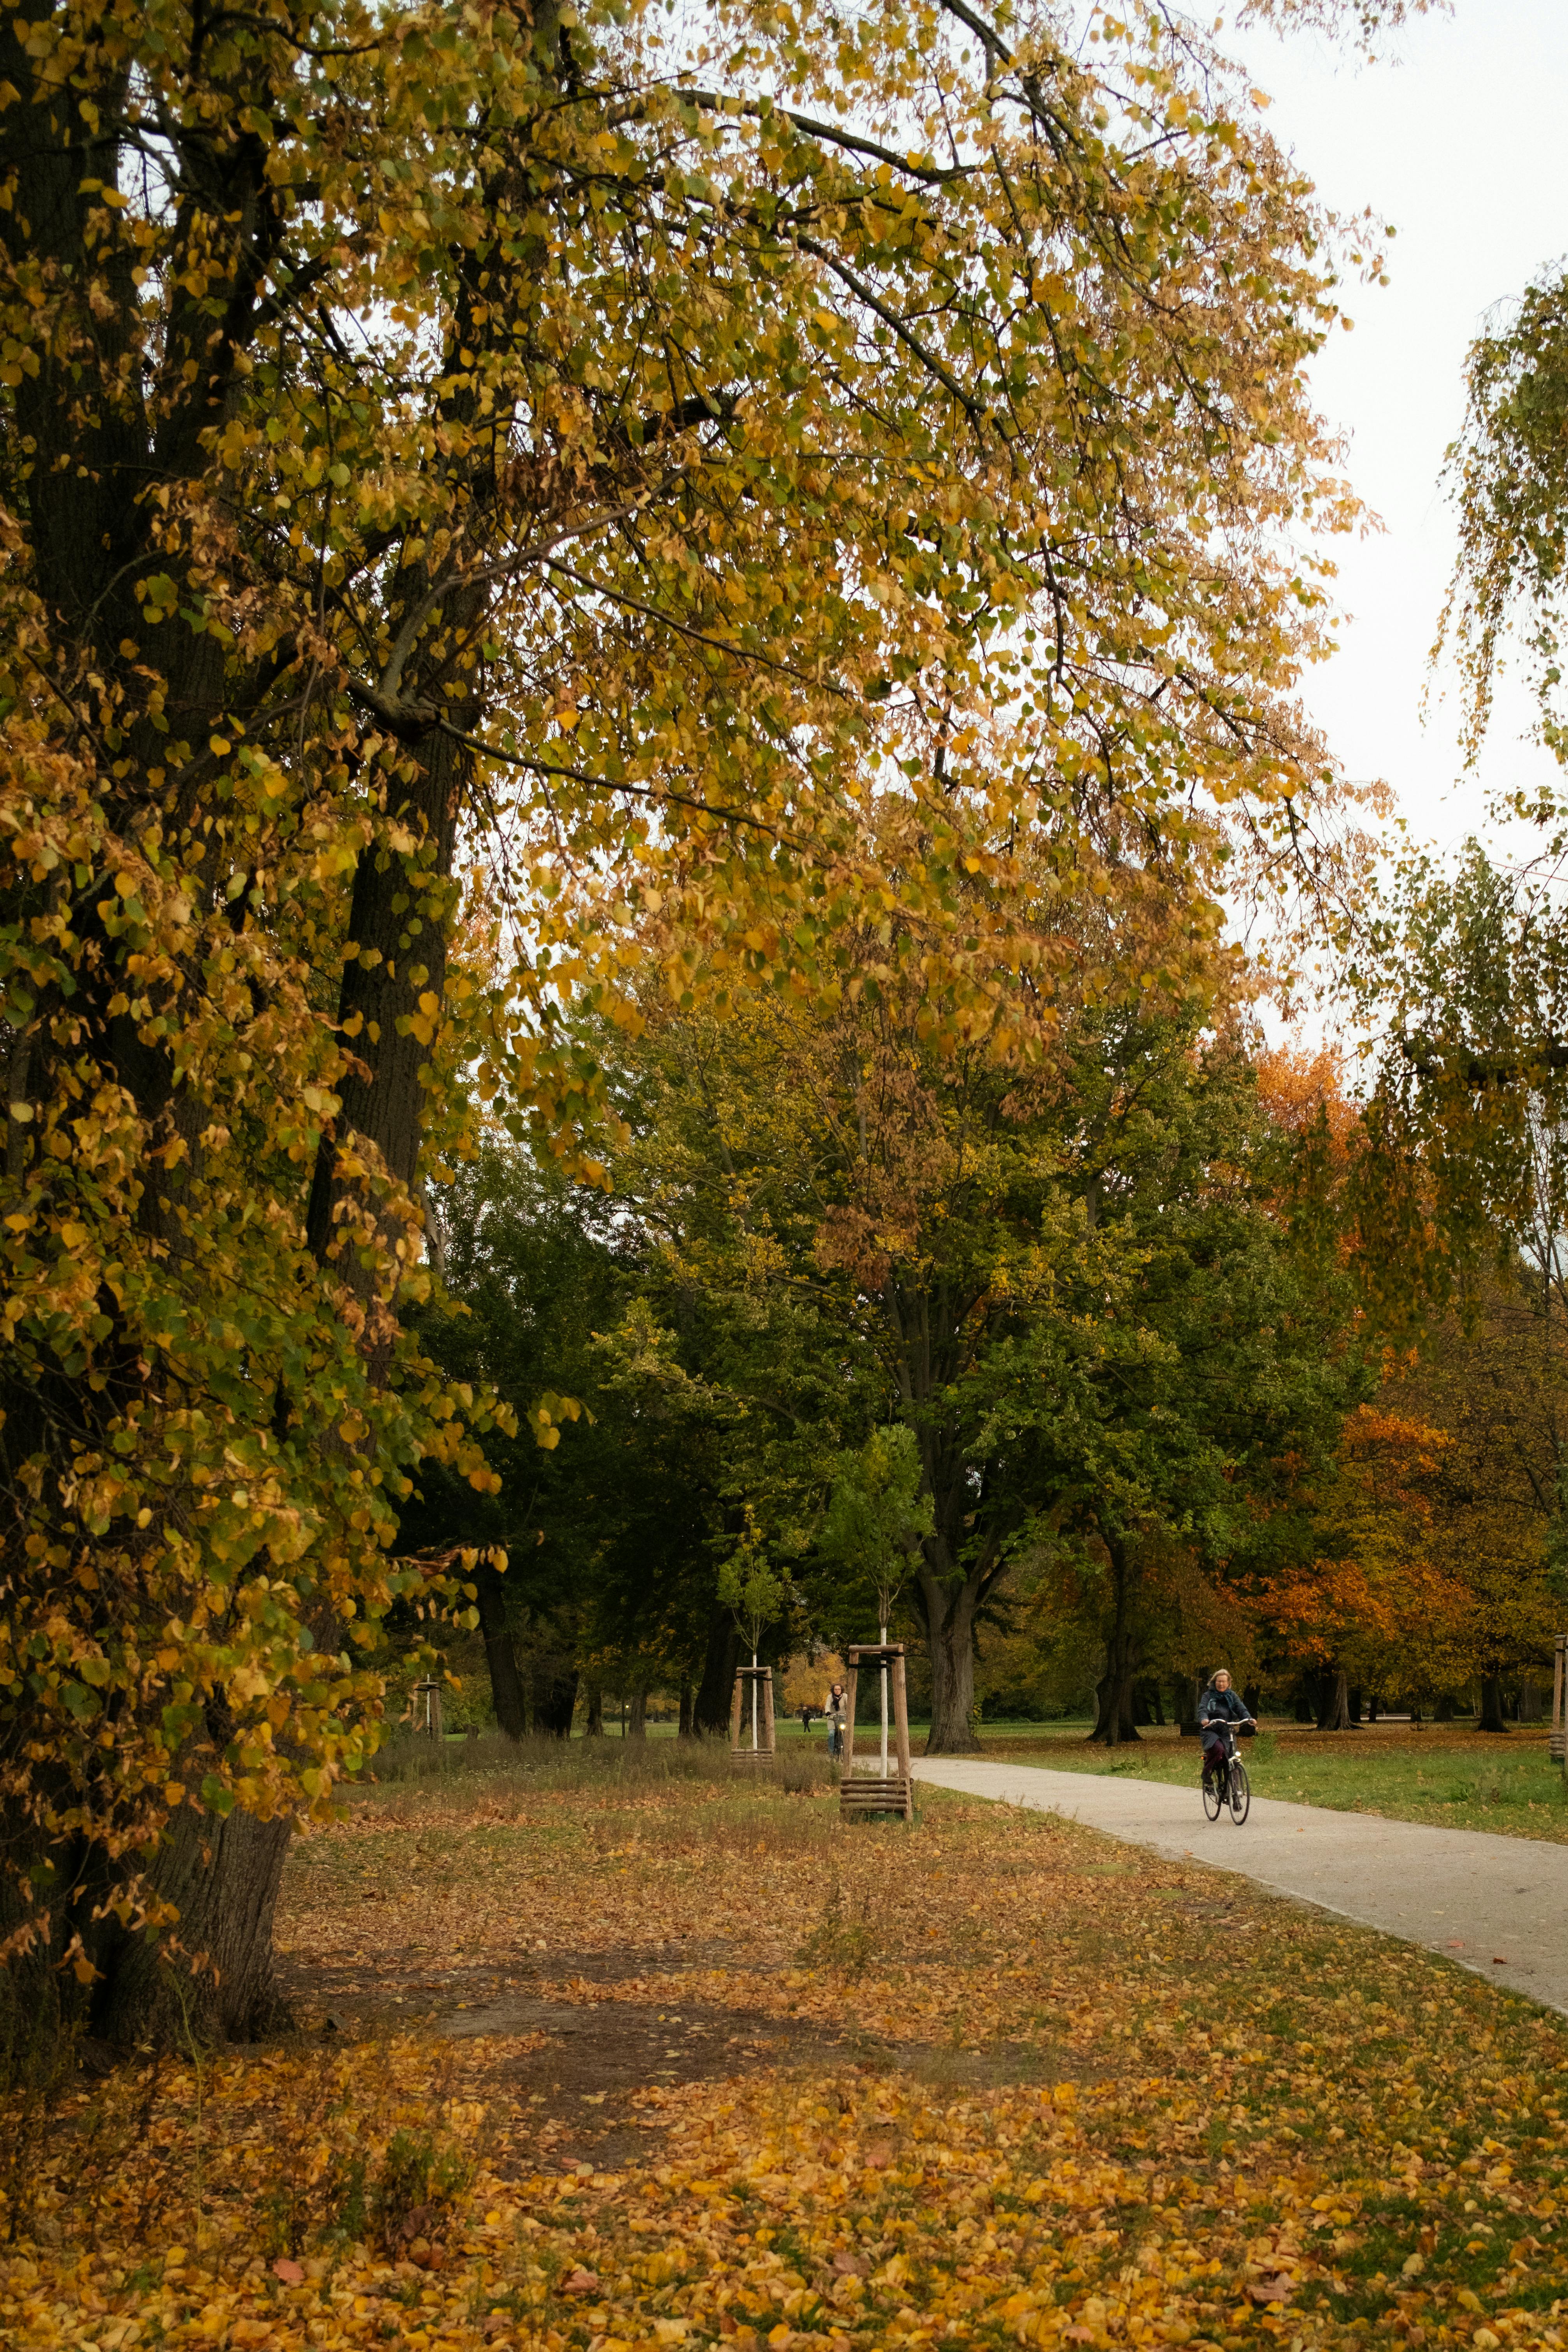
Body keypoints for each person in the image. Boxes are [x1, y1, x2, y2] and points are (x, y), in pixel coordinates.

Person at [1198, 1669, 1255, 1789]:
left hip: (1227, 1731)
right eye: (1219, 1681)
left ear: (1229, 1683)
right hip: (1211, 1730)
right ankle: (1207, 1773)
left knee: (1231, 1760)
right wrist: (1204, 1719)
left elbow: (1241, 1708)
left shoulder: (1232, 1696)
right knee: (1219, 1749)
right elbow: (1202, 1709)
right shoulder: (1208, 1696)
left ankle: (1235, 1793)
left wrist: (1249, 1719)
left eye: (1224, 1682)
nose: (1221, 1684)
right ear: (1215, 1682)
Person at [824, 1682, 847, 1760]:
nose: (837, 1691)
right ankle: (831, 1752)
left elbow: (848, 1705)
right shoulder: (830, 1697)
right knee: (831, 1734)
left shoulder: (845, 1696)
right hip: (832, 1718)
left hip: (842, 1717)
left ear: (842, 1690)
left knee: (845, 1733)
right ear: (833, 1690)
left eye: (839, 1689)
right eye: (836, 1689)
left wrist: (850, 1712)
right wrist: (828, 1712)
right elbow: (827, 1705)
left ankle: (844, 1749)